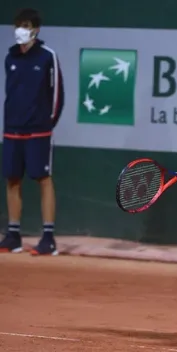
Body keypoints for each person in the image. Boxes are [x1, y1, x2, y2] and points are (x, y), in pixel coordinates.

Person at [0, 8, 64, 255]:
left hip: (39, 131)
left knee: (43, 179)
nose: (20, 30)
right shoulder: (10, 57)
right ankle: (13, 234)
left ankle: (48, 237)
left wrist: (47, 123)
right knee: (12, 179)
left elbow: (58, 95)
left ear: (35, 29)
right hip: (12, 130)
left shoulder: (48, 56)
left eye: (25, 25)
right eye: (17, 25)